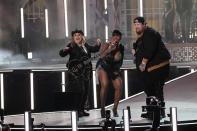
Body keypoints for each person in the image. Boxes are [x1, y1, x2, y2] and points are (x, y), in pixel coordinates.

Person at [132, 17, 171, 119]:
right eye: (135, 25)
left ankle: (159, 112)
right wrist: (135, 49)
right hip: (152, 67)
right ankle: (152, 110)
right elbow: (140, 47)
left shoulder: (150, 33)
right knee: (149, 88)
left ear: (144, 24)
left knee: (156, 88)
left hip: (158, 66)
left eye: (138, 24)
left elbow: (150, 49)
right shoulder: (142, 35)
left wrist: (143, 63)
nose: (136, 26)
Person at [59, 29, 101, 117]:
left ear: (82, 36)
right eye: (75, 35)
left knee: (85, 91)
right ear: (73, 37)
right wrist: (63, 50)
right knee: (80, 91)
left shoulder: (85, 45)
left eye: (79, 35)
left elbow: (94, 49)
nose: (77, 37)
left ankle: (81, 110)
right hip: (77, 74)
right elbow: (62, 54)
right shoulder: (71, 45)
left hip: (87, 72)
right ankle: (77, 110)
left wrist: (98, 44)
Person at [96, 30, 124, 118]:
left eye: (118, 36)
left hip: (113, 68)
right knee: (105, 85)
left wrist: (116, 70)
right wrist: (109, 49)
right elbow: (101, 56)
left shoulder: (121, 47)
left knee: (119, 86)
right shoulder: (107, 44)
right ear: (112, 37)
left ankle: (115, 108)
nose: (116, 37)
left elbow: (120, 60)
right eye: (114, 36)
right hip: (103, 66)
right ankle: (102, 108)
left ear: (120, 38)